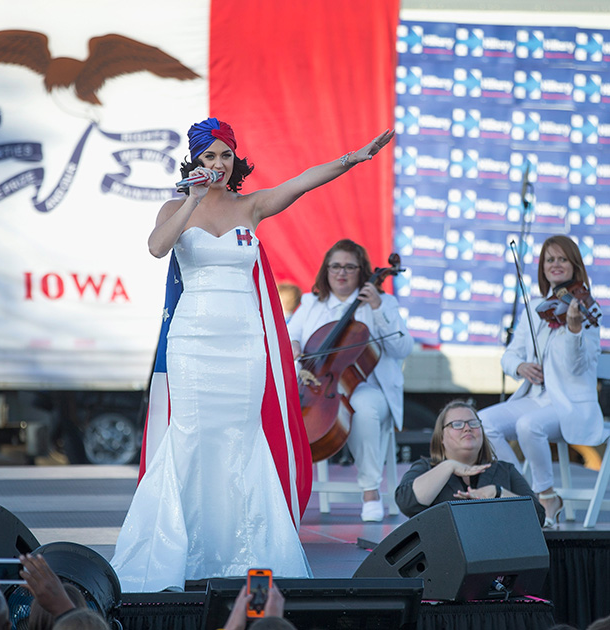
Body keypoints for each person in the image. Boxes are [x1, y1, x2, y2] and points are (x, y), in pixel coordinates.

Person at [111, 117, 395, 592]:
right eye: (209, 156)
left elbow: (302, 181)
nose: (219, 164)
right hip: (193, 339)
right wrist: (192, 200)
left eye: (226, 155)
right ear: (195, 160)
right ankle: (182, 552)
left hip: (244, 341)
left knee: (241, 437)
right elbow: (157, 248)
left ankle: (242, 553)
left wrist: (353, 159)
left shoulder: (252, 206)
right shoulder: (175, 207)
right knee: (190, 436)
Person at [479, 235, 603, 528]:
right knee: (482, 423)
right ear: (543, 268)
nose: (555, 264)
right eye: (550, 260)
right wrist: (521, 367)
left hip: (571, 404)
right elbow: (509, 356)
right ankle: (522, 494)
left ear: (574, 266)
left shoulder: (586, 309)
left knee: (528, 425)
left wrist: (574, 331)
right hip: (535, 398)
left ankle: (546, 496)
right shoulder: (536, 309)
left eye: (562, 259)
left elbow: (577, 367)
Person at [288, 239, 414, 521]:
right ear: (326, 270)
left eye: (349, 267)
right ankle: (286, 491)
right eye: (335, 266)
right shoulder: (311, 303)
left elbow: (403, 348)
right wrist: (294, 344)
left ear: (361, 270)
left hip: (371, 388)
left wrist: (378, 308)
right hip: (318, 385)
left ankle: (370, 491)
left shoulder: (382, 302)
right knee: (282, 410)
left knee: (363, 409)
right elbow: (290, 336)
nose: (341, 273)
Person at [395, 399, 545, 524]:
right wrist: (449, 466)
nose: (467, 428)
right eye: (457, 424)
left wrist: (497, 493)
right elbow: (406, 502)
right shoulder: (426, 468)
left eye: (473, 423)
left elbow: (538, 516)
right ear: (441, 437)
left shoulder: (504, 470)